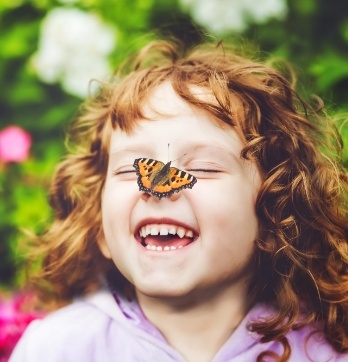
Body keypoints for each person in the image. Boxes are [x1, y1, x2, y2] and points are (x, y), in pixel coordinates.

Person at [9, 39, 348, 362]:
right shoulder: (57, 349)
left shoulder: (325, 351)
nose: (158, 188)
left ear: (275, 218)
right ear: (98, 225)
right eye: (131, 169)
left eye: (202, 167)